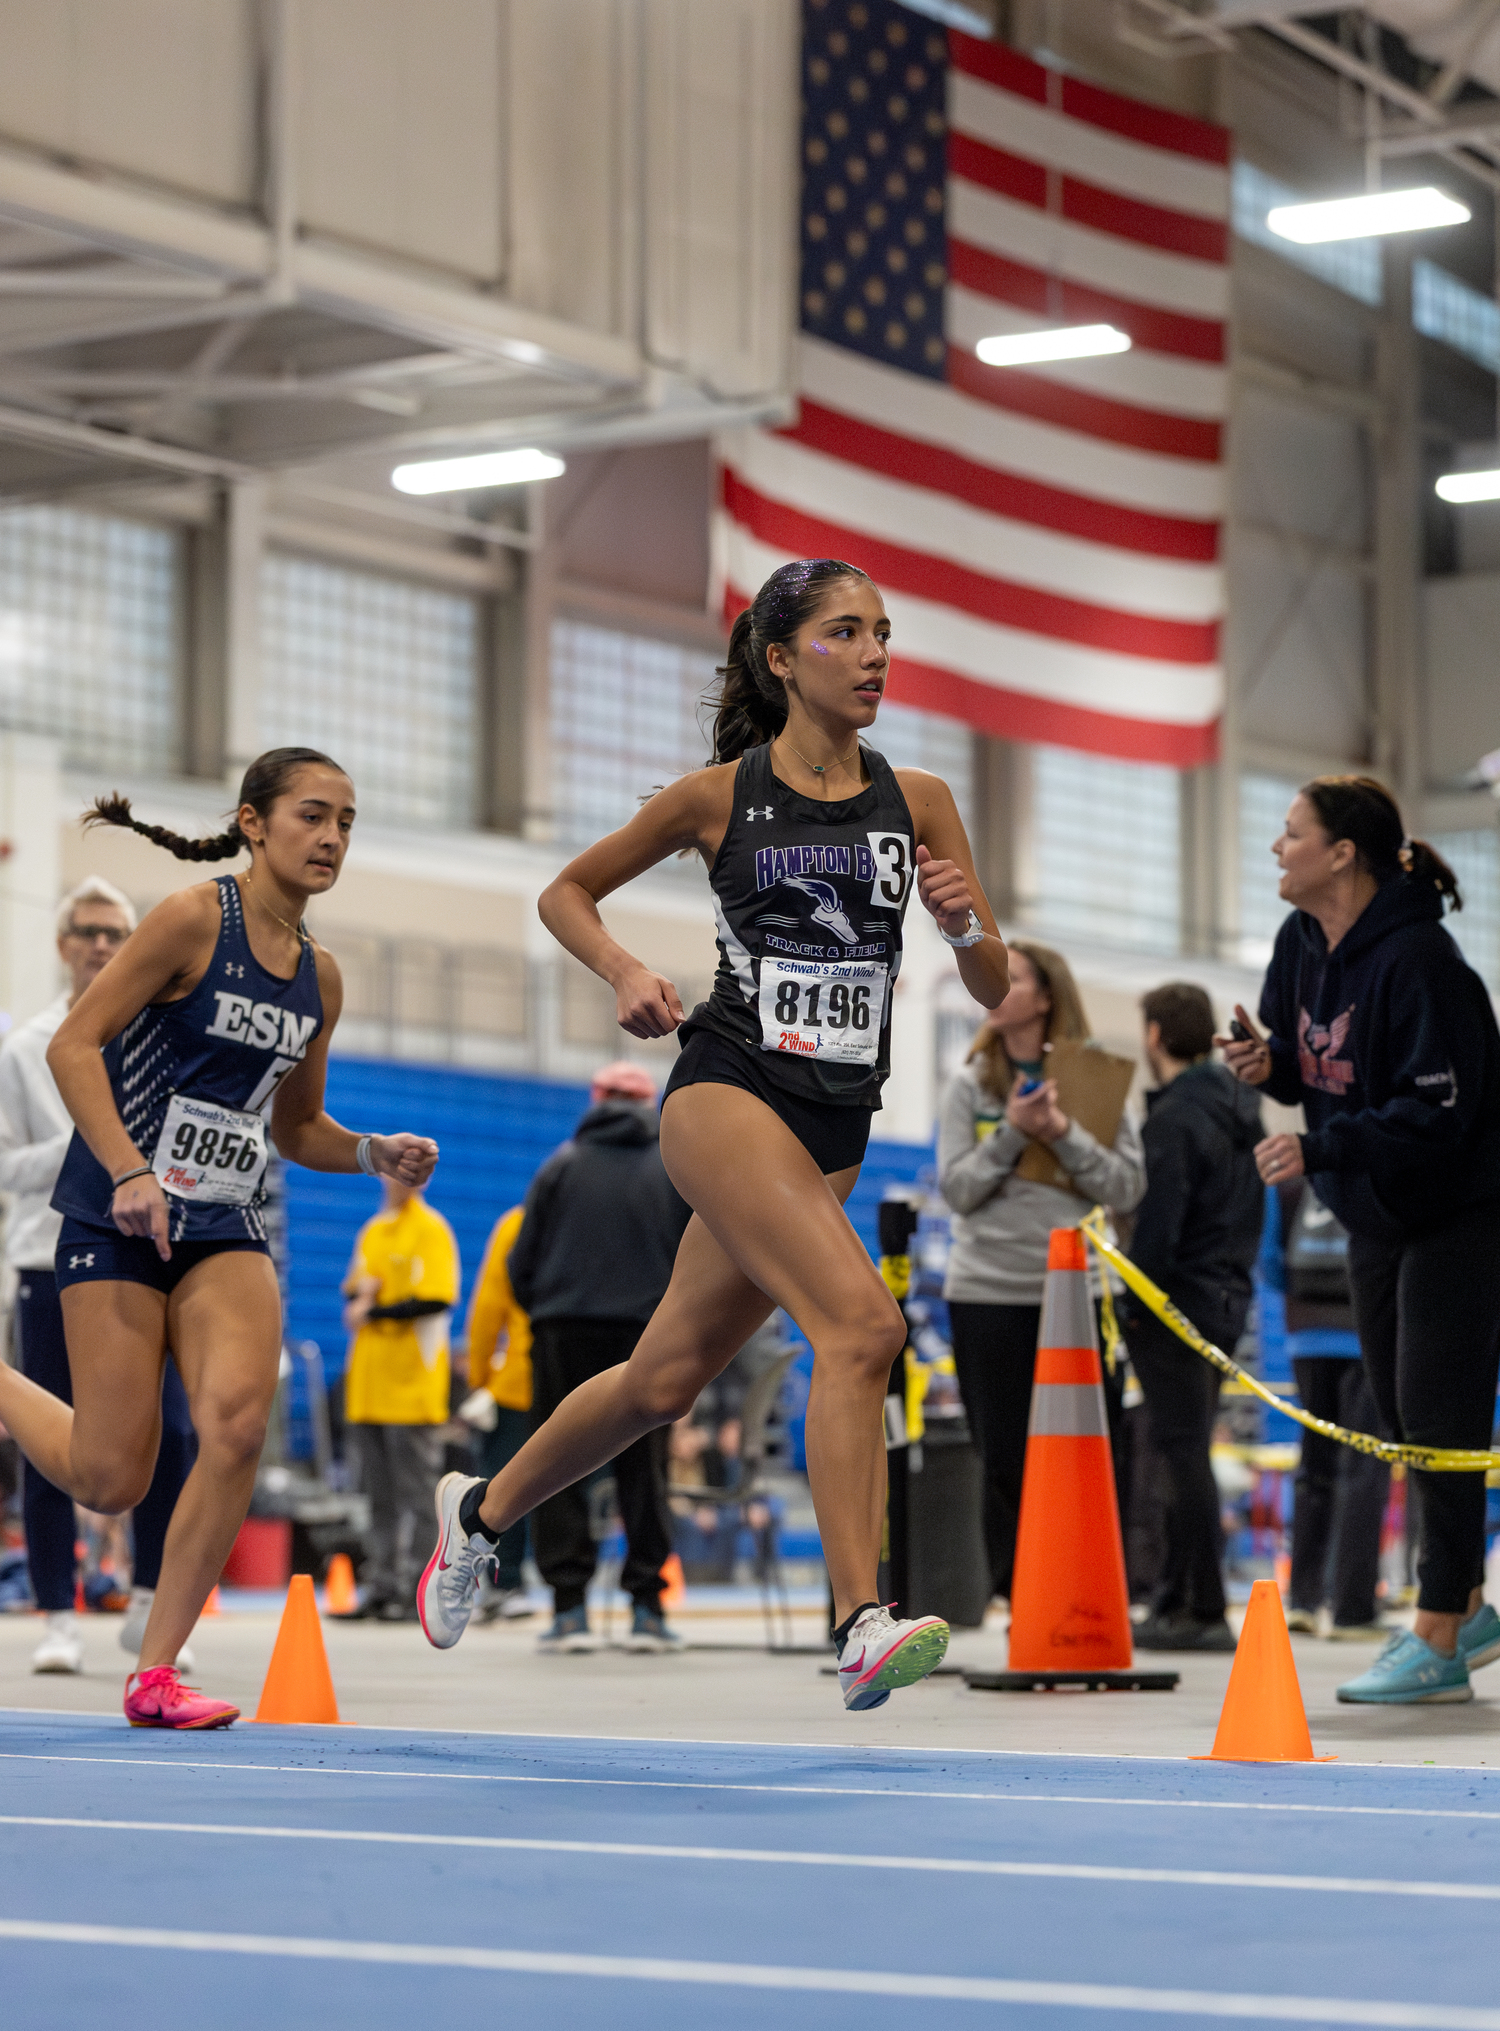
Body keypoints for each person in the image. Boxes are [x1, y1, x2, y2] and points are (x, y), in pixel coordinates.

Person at [418, 555, 1009, 1711]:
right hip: (729, 1091)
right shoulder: (718, 797)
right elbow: (566, 894)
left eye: (885, 632)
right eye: (849, 633)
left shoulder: (922, 799)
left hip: (836, 1123)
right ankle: (860, 1622)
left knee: (660, 1382)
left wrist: (965, 922)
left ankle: (477, 1514)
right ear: (784, 659)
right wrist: (627, 967)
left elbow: (990, 984)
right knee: (862, 1327)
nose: (878, 653)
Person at [0, 748, 439, 1728]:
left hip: (224, 1219)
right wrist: (126, 1170)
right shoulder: (197, 919)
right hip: (114, 1213)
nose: (331, 838)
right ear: (254, 823)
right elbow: (76, 1047)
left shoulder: (319, 978)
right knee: (114, 1476)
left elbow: (294, 1129)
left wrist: (374, 1152)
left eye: (347, 823)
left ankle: (154, 1676)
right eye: (312, 817)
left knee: (236, 1425)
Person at [1221, 775, 1500, 1705]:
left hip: (1460, 1207)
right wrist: (1273, 1068)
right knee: (1397, 1417)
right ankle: (1465, 1598)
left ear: (1342, 853)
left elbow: (1436, 1117)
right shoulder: (1301, 941)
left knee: (1437, 1415)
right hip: (1372, 1209)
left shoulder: (1424, 961)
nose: (1276, 847)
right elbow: (1311, 1070)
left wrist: (1316, 1144)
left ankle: (1438, 1630)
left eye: (1291, 832)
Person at [0, 877, 201, 1677]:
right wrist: (97, 1144)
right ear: (62, 943)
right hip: (47, 1256)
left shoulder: (159, 1033)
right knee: (53, 1447)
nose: (101, 944)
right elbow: (7, 1164)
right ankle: (57, 1613)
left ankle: (153, 1599)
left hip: (142, 1257)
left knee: (174, 1432)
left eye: (116, 931)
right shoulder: (27, 1048)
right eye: (86, 930)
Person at [937, 941, 1145, 1604]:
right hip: (988, 1292)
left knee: (1090, 1457)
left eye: (1014, 977)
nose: (996, 987)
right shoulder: (970, 1083)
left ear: (1048, 994)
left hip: (1082, 1296)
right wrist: (1011, 1133)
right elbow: (956, 1188)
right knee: (1003, 1456)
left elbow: (1127, 1185)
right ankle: (1018, 1596)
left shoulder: (1099, 1080)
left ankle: (1086, 1590)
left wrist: (1061, 1131)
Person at [506, 1061, 691, 1654]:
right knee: (646, 1473)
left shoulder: (560, 1166)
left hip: (563, 1328)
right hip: (646, 1333)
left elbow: (521, 1260)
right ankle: (646, 1609)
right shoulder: (672, 1170)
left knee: (558, 1465)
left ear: (597, 1099)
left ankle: (568, 1610)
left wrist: (549, 1307)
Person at [1127, 982, 1263, 1654]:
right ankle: (1178, 1596)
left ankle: (1202, 1603)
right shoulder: (1244, 1110)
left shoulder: (1175, 1118)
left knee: (1180, 1454)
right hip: (1230, 1297)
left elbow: (1159, 1228)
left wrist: (1133, 1299)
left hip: (1177, 1304)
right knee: (1189, 1449)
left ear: (1155, 1035)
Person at [1268, 1178, 1391, 1638]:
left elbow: (1269, 1260)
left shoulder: (1290, 1177)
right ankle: (1352, 1608)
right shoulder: (1376, 1156)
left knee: (1313, 1466)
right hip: (1367, 1334)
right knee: (1364, 1469)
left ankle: (1302, 1599)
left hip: (1306, 1335)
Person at [340, 1174, 459, 1620]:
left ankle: (419, 1589)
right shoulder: (374, 1231)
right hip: (369, 1384)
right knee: (378, 1496)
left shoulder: (430, 1229)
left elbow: (436, 1299)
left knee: (417, 1495)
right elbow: (354, 1287)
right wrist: (363, 1300)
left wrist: (373, 1309)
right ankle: (382, 1586)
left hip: (411, 1386)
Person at [459, 1201, 535, 1620]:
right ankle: (570, 1598)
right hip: (586, 1382)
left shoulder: (517, 1224)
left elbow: (489, 1305)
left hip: (520, 1383)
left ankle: (506, 1585)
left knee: (506, 1484)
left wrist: (480, 1376)